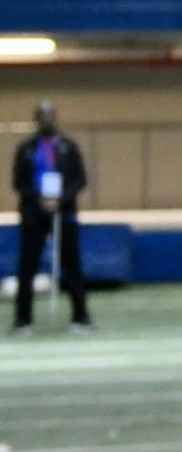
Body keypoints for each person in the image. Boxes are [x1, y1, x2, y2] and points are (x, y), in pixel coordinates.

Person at [9, 101, 93, 336]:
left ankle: (82, 317)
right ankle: (22, 320)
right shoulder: (26, 148)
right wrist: (39, 200)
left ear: (55, 117)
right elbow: (18, 182)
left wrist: (61, 200)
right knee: (27, 268)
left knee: (72, 265)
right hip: (33, 215)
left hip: (63, 214)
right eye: (41, 116)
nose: (45, 120)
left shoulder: (69, 146)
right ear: (35, 119)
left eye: (49, 115)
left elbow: (80, 180)